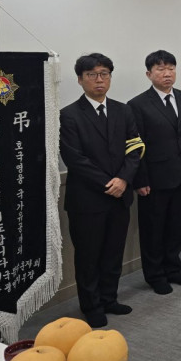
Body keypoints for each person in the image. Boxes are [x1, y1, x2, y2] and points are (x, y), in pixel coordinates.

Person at [60, 53, 144, 327]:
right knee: (88, 256)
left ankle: (109, 298)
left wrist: (124, 179)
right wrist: (110, 183)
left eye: (104, 74)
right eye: (92, 75)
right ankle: (91, 305)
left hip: (120, 197)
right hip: (87, 200)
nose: (99, 80)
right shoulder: (68, 115)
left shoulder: (123, 110)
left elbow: (135, 148)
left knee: (113, 252)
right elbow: (74, 159)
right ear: (80, 79)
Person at [128, 50, 181, 295]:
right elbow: (136, 145)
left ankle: (173, 269)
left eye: (171, 68)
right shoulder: (137, 105)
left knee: (176, 227)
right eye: (160, 69)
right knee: (153, 230)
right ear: (149, 74)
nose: (167, 73)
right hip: (154, 179)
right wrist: (140, 179)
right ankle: (155, 275)